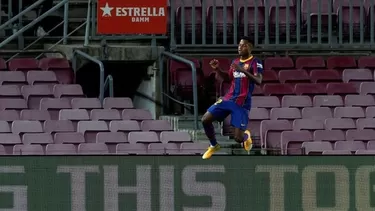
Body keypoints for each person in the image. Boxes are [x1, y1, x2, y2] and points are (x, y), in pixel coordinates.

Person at [201, 36, 263, 160]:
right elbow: (228, 79)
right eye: (239, 45)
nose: (240, 47)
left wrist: (243, 70)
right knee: (205, 119)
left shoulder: (255, 62)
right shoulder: (235, 62)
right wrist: (217, 69)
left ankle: (246, 136)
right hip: (228, 99)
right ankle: (214, 145)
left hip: (242, 103)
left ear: (251, 47)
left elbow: (258, 80)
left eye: (244, 45)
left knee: (238, 138)